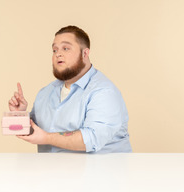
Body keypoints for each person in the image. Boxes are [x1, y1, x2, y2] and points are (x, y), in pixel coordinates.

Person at [8, 25, 132, 153]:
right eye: (54, 50)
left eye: (66, 48)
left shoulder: (104, 92)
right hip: (53, 171)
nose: (58, 54)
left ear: (85, 53)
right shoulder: (45, 93)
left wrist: (47, 138)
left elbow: (92, 138)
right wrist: (20, 114)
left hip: (100, 171)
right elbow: (34, 132)